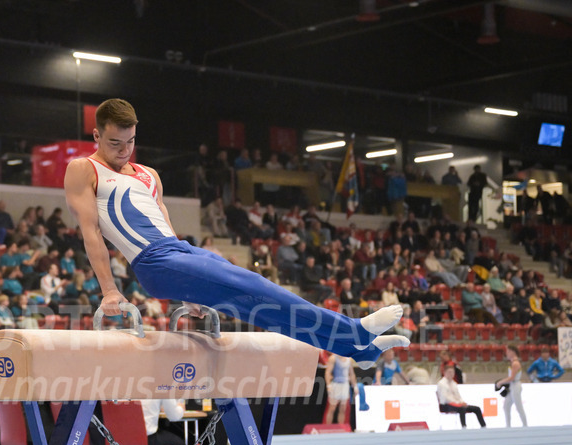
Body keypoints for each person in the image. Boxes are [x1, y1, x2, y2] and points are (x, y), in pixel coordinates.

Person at [63, 99, 406, 370]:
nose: (124, 151)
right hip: (153, 261)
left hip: (179, 252)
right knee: (255, 287)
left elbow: (165, 226)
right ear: (96, 136)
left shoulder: (149, 173)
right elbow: (91, 231)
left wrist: (186, 289)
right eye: (115, 143)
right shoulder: (84, 169)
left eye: (131, 142)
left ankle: (354, 350)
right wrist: (109, 290)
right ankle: (355, 331)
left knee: (256, 300)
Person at [437, 364, 485, 428]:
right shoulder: (441, 383)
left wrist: (462, 402)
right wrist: (458, 403)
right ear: (444, 372)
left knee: (476, 409)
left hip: (457, 404)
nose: (451, 374)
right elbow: (445, 397)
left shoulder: (454, 383)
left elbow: (458, 396)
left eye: (452, 372)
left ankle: (483, 426)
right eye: (449, 372)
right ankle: (464, 427)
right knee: (462, 408)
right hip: (446, 405)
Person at [495, 345, 527, 428]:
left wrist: (500, 382)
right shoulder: (513, 363)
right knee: (506, 406)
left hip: (515, 386)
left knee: (519, 407)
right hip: (512, 386)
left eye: (508, 351)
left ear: (513, 352)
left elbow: (512, 378)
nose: (507, 353)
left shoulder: (515, 363)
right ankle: (508, 426)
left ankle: (525, 425)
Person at [324, 353, 355, 424]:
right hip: (336, 385)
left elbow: (352, 374)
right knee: (332, 408)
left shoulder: (348, 359)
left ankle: (341, 428)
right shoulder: (333, 358)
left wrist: (355, 386)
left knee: (343, 409)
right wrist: (328, 385)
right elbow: (327, 372)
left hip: (345, 385)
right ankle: (327, 428)